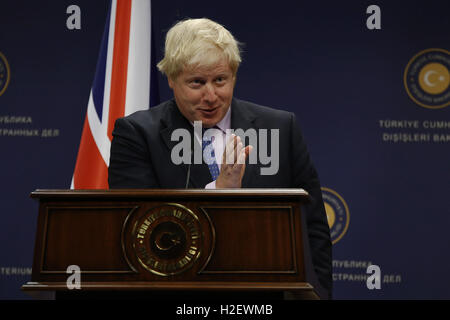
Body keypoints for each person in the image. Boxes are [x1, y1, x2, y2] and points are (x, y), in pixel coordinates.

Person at [108, 18, 332, 298]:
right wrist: (219, 192)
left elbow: (313, 228)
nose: (211, 96)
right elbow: (140, 232)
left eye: (220, 80)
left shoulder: (280, 127)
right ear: (172, 79)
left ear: (234, 76)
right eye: (197, 82)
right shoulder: (138, 134)